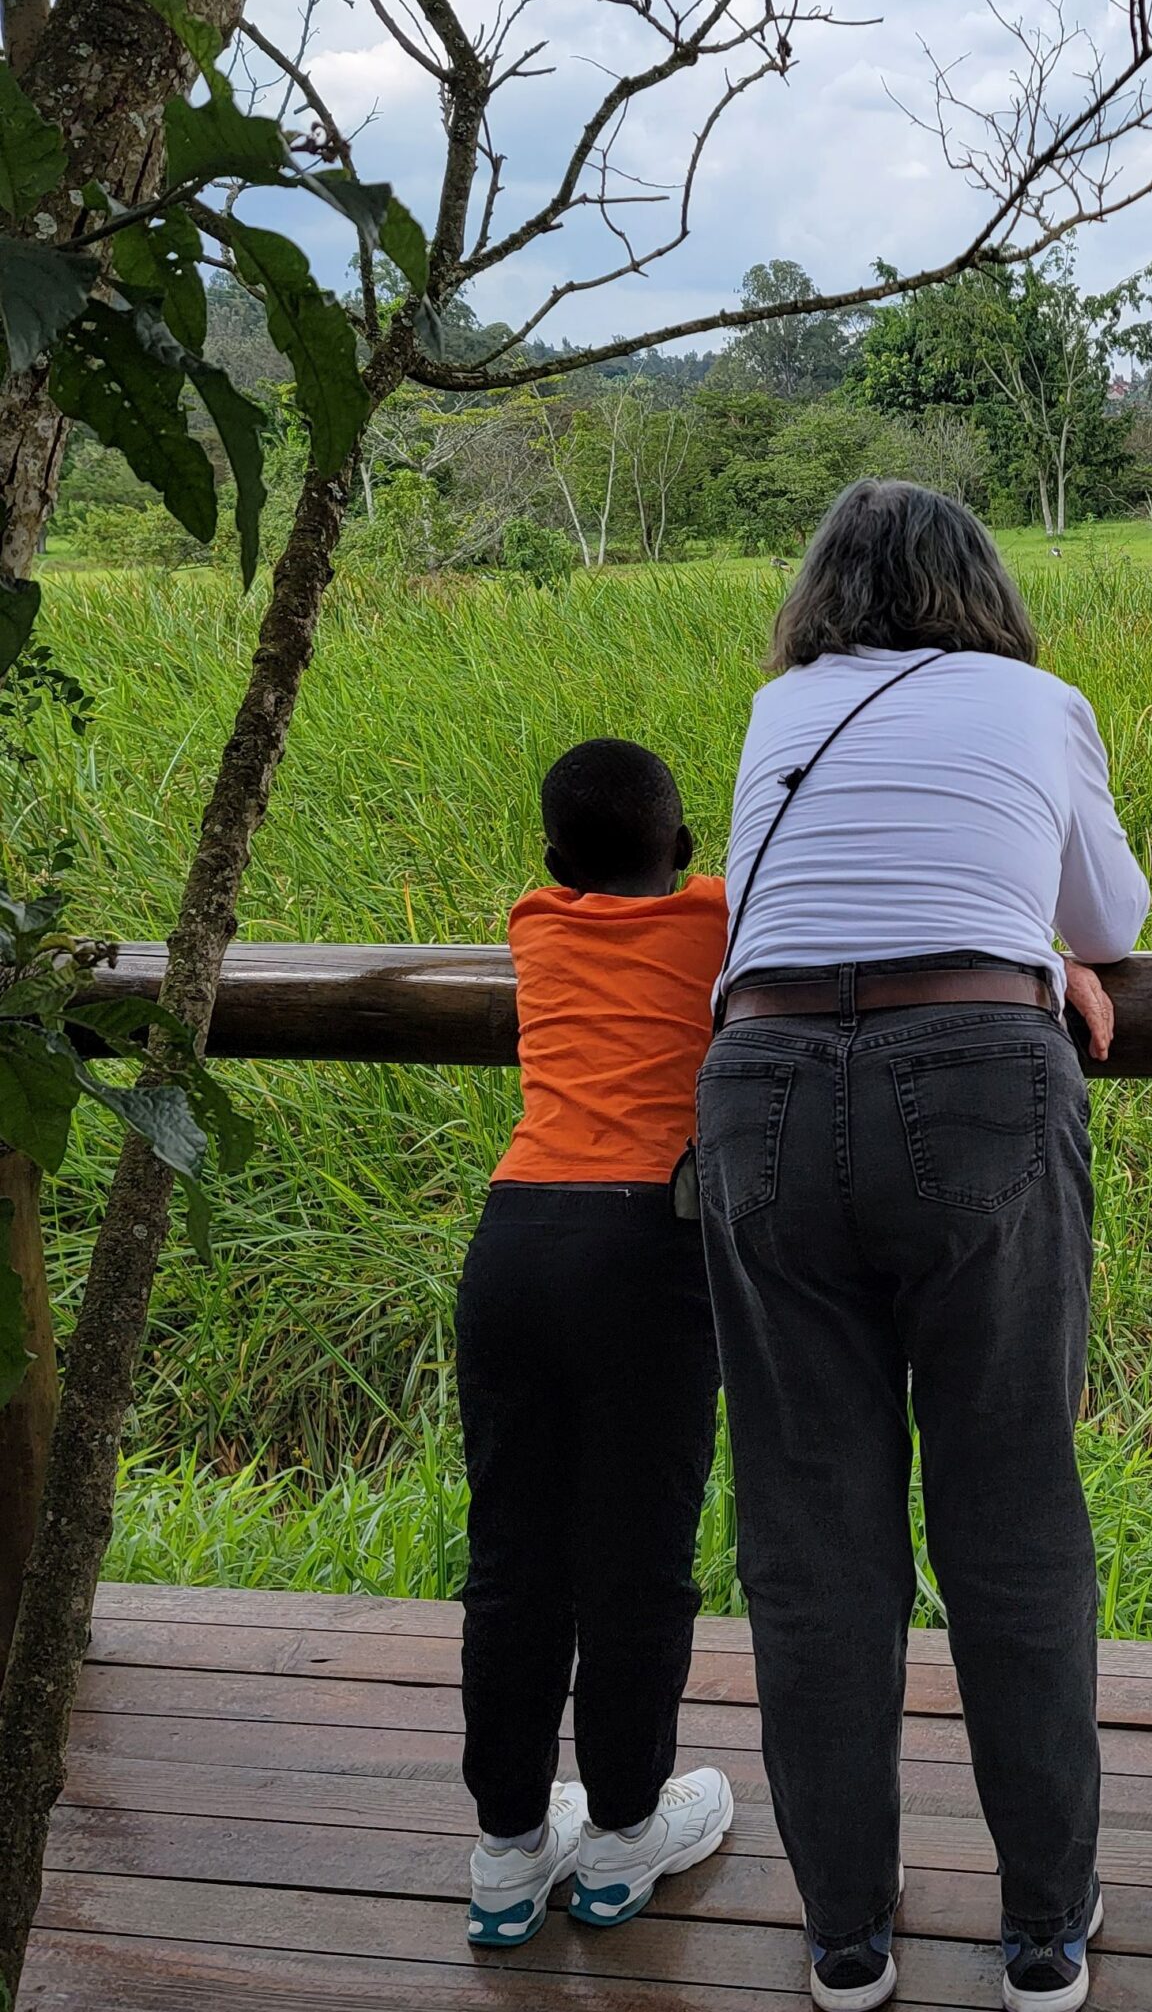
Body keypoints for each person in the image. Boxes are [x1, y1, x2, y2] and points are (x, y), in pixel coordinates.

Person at [697, 480, 1148, 2012]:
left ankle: (845, 1935)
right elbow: (1113, 911)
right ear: (982, 585)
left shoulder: (779, 711)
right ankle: (1041, 1931)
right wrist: (1039, 961)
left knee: (811, 1535)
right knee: (1010, 1509)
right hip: (973, 1064)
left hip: (756, 1083)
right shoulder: (1036, 698)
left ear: (821, 585)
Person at [459, 739, 737, 1947]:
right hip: (646, 1252)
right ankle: (624, 1836)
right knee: (637, 1562)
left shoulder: (533, 920)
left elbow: (584, 873)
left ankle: (509, 1852)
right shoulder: (716, 915)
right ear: (681, 851)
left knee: (513, 1560)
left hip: (513, 1239)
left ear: (554, 864)